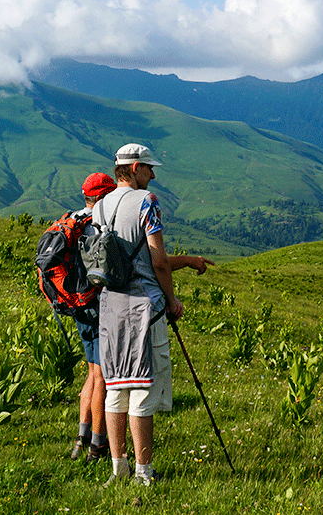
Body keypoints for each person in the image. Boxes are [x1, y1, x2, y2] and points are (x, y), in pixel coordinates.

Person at [96, 143, 214, 486]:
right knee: (143, 388)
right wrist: (172, 300)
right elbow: (158, 260)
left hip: (110, 306)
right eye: (148, 167)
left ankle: (117, 469)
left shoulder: (100, 206)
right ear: (134, 168)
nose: (153, 174)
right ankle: (143, 473)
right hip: (142, 307)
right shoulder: (147, 203)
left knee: (115, 388)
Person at [70, 172, 117, 462]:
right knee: (102, 377)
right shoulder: (98, 224)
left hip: (76, 305)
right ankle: (98, 446)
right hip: (96, 304)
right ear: (102, 196)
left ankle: (81, 438)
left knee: (91, 373)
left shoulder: (73, 219)